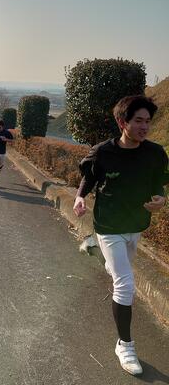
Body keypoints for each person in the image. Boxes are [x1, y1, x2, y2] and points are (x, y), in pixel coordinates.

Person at [73, 95, 168, 376]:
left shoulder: (154, 153)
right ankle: (124, 345)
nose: (144, 127)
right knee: (125, 283)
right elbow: (90, 177)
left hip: (136, 224)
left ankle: (94, 249)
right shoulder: (103, 152)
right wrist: (80, 197)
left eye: (147, 121)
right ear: (121, 122)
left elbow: (158, 182)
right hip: (109, 225)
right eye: (138, 120)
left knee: (117, 270)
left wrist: (161, 198)